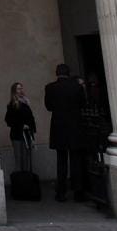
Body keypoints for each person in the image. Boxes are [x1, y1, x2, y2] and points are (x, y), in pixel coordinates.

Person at [44, 63, 87, 202]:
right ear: (68, 73)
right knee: (76, 160)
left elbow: (49, 107)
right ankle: (78, 192)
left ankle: (61, 192)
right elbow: (83, 104)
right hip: (75, 126)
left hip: (59, 127)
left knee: (61, 161)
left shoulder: (50, 88)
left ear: (57, 73)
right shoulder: (77, 87)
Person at [4, 81, 37, 174]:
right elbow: (9, 120)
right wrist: (22, 125)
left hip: (27, 134)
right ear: (14, 91)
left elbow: (30, 117)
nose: (21, 90)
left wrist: (31, 128)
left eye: (21, 88)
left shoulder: (26, 103)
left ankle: (27, 179)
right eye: (18, 88)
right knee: (19, 158)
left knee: (27, 158)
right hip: (17, 134)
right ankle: (20, 181)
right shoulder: (12, 105)